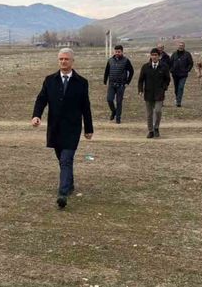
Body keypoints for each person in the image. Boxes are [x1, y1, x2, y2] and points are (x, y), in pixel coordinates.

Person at [32, 48, 94, 209]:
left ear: (72, 61)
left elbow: (85, 107)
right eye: (61, 59)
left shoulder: (81, 82)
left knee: (66, 159)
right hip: (55, 127)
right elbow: (41, 99)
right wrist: (36, 115)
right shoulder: (49, 80)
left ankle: (62, 193)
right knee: (62, 159)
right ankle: (69, 184)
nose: (63, 61)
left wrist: (88, 128)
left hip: (72, 128)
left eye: (66, 59)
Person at [137, 48, 171, 138]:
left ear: (159, 56)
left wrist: (164, 87)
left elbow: (167, 79)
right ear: (150, 56)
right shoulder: (145, 67)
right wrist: (140, 90)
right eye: (152, 55)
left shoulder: (164, 66)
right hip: (148, 93)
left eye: (156, 55)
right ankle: (150, 131)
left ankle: (156, 128)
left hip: (159, 93)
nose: (154, 57)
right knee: (149, 114)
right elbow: (141, 80)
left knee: (158, 111)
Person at [103, 44, 134, 124]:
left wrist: (127, 82)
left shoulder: (126, 61)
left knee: (119, 102)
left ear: (122, 52)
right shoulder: (110, 60)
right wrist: (105, 81)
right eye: (116, 51)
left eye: (119, 52)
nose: (117, 53)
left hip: (121, 85)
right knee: (109, 99)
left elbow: (131, 71)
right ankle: (114, 111)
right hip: (111, 84)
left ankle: (118, 118)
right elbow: (107, 71)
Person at [169, 41, 194, 107]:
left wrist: (187, 70)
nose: (181, 47)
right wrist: (171, 70)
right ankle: (177, 98)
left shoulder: (187, 54)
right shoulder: (174, 54)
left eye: (182, 45)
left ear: (184, 46)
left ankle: (178, 102)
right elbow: (170, 62)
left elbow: (191, 63)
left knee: (181, 87)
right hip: (175, 74)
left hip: (183, 74)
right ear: (178, 46)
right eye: (180, 45)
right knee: (176, 88)